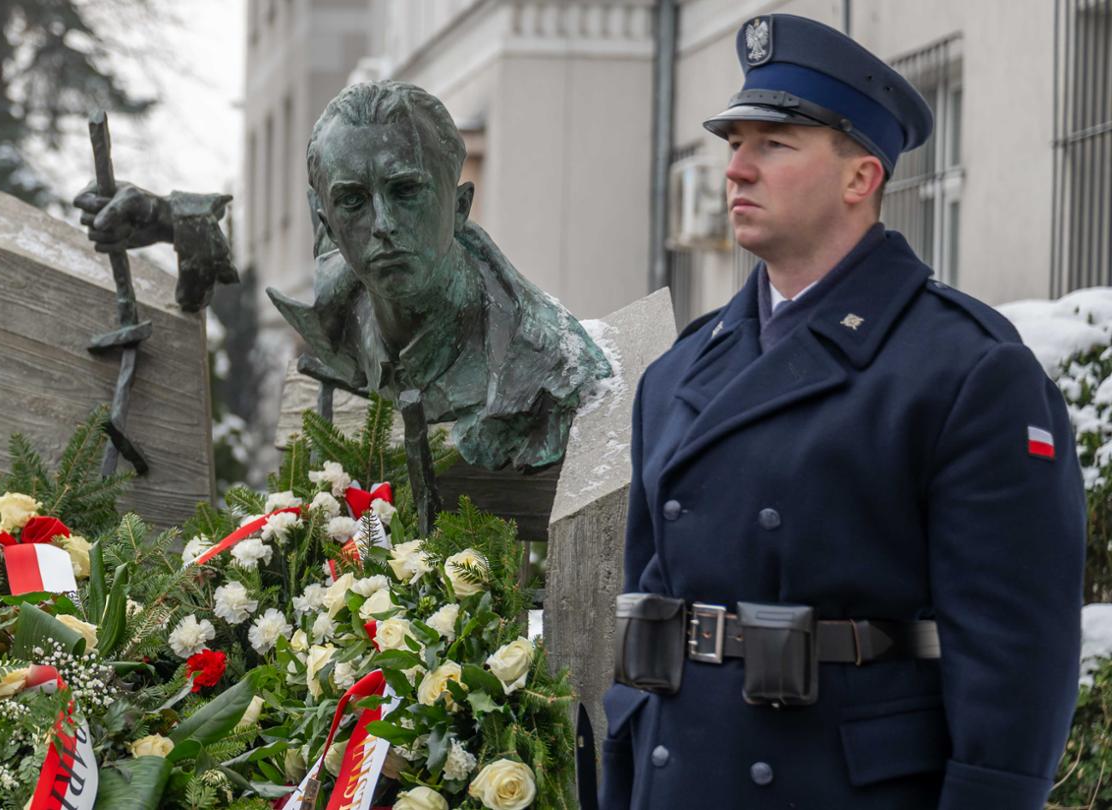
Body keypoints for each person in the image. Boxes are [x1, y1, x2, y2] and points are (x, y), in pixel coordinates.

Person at [604, 15, 1084, 810]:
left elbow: (1016, 658)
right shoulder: (678, 372)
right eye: (734, 144)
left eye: (775, 145)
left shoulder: (965, 368)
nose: (737, 170)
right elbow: (649, 612)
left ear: (861, 178)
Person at [75, 81, 609, 471]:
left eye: (406, 191)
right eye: (353, 201)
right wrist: (169, 218)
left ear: (461, 206)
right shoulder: (343, 291)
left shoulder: (544, 365)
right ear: (327, 224)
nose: (382, 225)